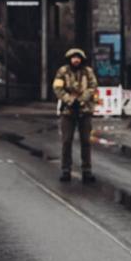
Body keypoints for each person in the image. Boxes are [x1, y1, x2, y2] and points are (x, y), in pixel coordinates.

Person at [52, 48, 98, 182]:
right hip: (68, 111)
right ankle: (66, 170)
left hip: (85, 110)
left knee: (86, 141)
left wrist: (82, 100)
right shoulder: (63, 71)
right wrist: (69, 100)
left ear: (82, 59)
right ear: (69, 59)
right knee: (67, 141)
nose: (76, 60)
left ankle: (87, 170)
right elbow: (57, 87)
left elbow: (93, 86)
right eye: (73, 58)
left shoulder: (88, 72)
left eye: (78, 58)